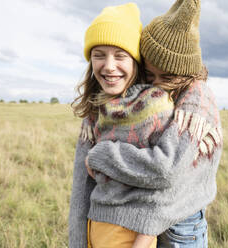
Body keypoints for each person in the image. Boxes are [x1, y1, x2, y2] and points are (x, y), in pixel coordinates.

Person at [84, 0, 223, 247]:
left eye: (167, 77)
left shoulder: (195, 112)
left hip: (182, 227)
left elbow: (170, 175)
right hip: (150, 223)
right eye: (150, 75)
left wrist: (100, 155)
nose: (156, 85)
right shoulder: (156, 101)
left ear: (188, 74)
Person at [69, 3, 168, 247]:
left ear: (136, 61)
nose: (109, 66)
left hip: (130, 236)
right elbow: (81, 189)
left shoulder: (155, 105)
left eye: (120, 55)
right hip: (95, 228)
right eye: (98, 54)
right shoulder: (95, 110)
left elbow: (163, 182)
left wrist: (143, 242)